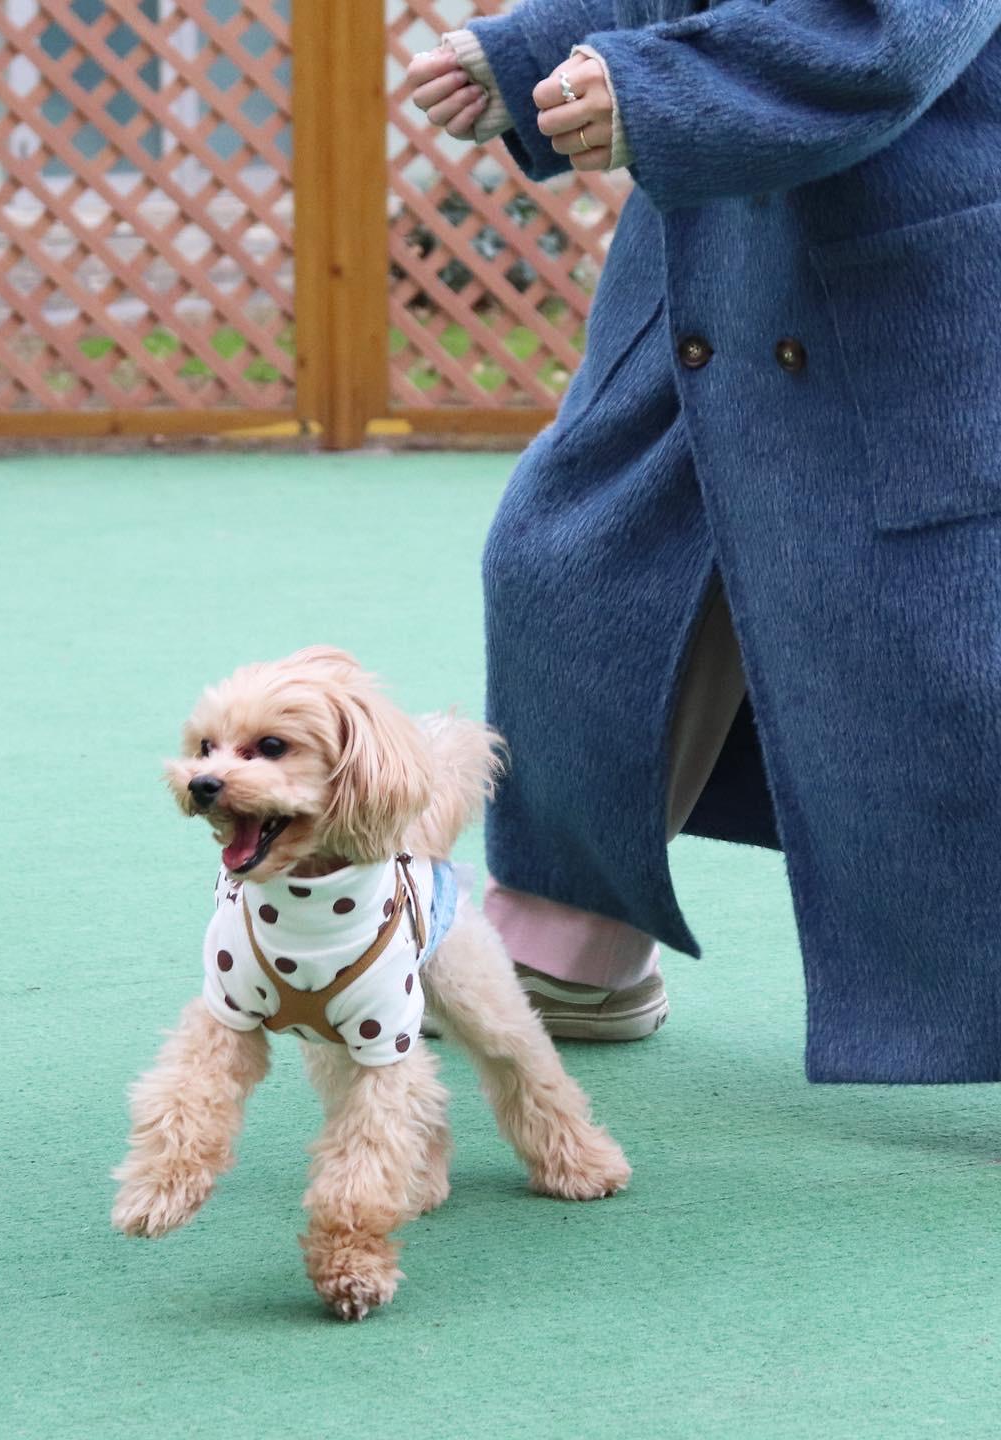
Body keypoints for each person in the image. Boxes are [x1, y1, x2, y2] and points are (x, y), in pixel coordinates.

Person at [405, 1, 1001, 1082]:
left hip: (910, 268)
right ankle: (570, 942)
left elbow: (891, 35)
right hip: (709, 265)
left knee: (930, 648)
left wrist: (655, 88)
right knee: (568, 566)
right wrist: (533, 53)